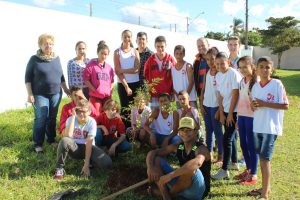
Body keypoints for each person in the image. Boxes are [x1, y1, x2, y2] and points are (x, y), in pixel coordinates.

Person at [248, 56, 288, 200]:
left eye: (267, 67)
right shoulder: (255, 87)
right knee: (261, 158)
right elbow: (254, 106)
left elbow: (285, 105)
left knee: (265, 160)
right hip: (258, 126)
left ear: (271, 69)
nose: (264, 70)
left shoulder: (277, 84)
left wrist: (264, 103)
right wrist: (253, 106)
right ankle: (266, 188)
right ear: (256, 69)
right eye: (261, 67)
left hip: (270, 128)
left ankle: (264, 195)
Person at [146, 117, 211, 200]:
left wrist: (170, 176)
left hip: (198, 190)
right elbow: (153, 152)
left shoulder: (201, 148)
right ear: (179, 132)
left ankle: (168, 194)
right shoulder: (179, 146)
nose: (185, 132)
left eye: (189, 130)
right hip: (182, 185)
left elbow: (197, 163)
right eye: (182, 130)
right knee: (156, 160)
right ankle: (166, 196)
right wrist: (150, 167)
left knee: (191, 169)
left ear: (195, 132)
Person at [25, 33, 70, 153]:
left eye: (50, 44)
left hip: (56, 93)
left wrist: (65, 89)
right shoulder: (34, 59)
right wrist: (30, 94)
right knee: (41, 118)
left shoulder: (56, 58)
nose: (48, 46)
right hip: (40, 94)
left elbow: (61, 76)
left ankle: (51, 139)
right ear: (40, 45)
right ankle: (38, 144)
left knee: (52, 117)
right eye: (45, 44)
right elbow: (27, 78)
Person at [54, 99, 112, 181]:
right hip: (75, 148)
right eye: (78, 111)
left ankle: (90, 161)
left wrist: (86, 164)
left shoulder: (92, 122)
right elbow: (68, 135)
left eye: (84, 111)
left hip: (88, 147)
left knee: (107, 163)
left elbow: (89, 143)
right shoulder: (70, 119)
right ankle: (59, 168)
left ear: (89, 112)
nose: (81, 114)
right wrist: (73, 116)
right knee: (64, 140)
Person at [212, 52, 242, 180]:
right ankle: (234, 163)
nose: (220, 66)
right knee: (232, 138)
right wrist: (221, 111)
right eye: (217, 64)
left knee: (227, 139)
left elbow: (235, 94)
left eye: (222, 63)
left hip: (234, 111)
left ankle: (224, 170)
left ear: (228, 62)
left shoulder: (233, 74)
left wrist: (230, 114)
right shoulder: (218, 75)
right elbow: (220, 95)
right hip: (225, 111)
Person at [234, 56, 259, 185]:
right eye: (240, 67)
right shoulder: (241, 81)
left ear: (252, 67)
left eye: (245, 67)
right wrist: (238, 117)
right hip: (242, 116)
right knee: (243, 144)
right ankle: (248, 169)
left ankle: (253, 174)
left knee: (252, 146)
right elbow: (240, 100)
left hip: (253, 118)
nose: (243, 69)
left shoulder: (256, 82)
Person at [200, 49, 224, 164]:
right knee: (208, 130)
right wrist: (201, 104)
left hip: (215, 107)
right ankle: (208, 153)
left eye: (212, 59)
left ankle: (221, 155)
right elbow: (203, 89)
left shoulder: (220, 74)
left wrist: (220, 109)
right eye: (207, 59)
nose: (209, 62)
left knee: (218, 131)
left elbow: (222, 94)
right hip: (206, 106)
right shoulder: (207, 72)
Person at [114, 30, 141, 128]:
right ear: (122, 37)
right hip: (122, 84)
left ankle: (134, 132)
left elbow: (137, 70)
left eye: (129, 37)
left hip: (135, 83)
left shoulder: (135, 51)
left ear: (131, 38)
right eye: (125, 36)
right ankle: (125, 133)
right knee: (125, 109)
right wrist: (126, 86)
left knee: (134, 109)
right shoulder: (117, 52)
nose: (127, 39)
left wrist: (122, 70)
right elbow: (117, 71)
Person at [144, 36, 176, 110]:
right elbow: (145, 77)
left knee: (166, 116)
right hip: (154, 95)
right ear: (155, 46)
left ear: (166, 46)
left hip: (167, 95)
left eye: (162, 46)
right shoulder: (150, 60)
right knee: (154, 117)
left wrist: (173, 92)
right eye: (158, 46)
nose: (160, 49)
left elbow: (175, 77)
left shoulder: (170, 59)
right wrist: (148, 93)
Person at [83, 41, 114, 117]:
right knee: (97, 115)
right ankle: (98, 129)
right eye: (102, 54)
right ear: (97, 53)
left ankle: (105, 129)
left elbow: (112, 81)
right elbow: (86, 80)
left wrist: (110, 91)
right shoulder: (91, 65)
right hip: (95, 96)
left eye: (106, 54)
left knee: (107, 115)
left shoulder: (109, 67)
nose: (104, 56)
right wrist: (94, 90)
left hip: (106, 97)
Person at [193, 37, 209, 106]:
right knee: (203, 115)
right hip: (201, 94)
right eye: (199, 46)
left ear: (208, 45)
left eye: (203, 45)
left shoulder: (215, 59)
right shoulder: (196, 61)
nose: (201, 47)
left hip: (214, 94)